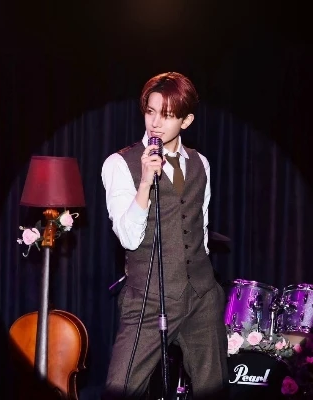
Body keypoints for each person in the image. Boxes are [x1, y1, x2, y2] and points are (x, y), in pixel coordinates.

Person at [101, 72, 228, 399]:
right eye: (150, 111)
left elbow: (200, 226)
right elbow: (128, 238)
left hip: (201, 295)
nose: (155, 123)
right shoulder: (119, 164)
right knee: (121, 389)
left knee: (213, 390)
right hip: (149, 298)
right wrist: (145, 182)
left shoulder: (200, 163)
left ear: (186, 121)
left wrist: (206, 283)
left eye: (168, 115)